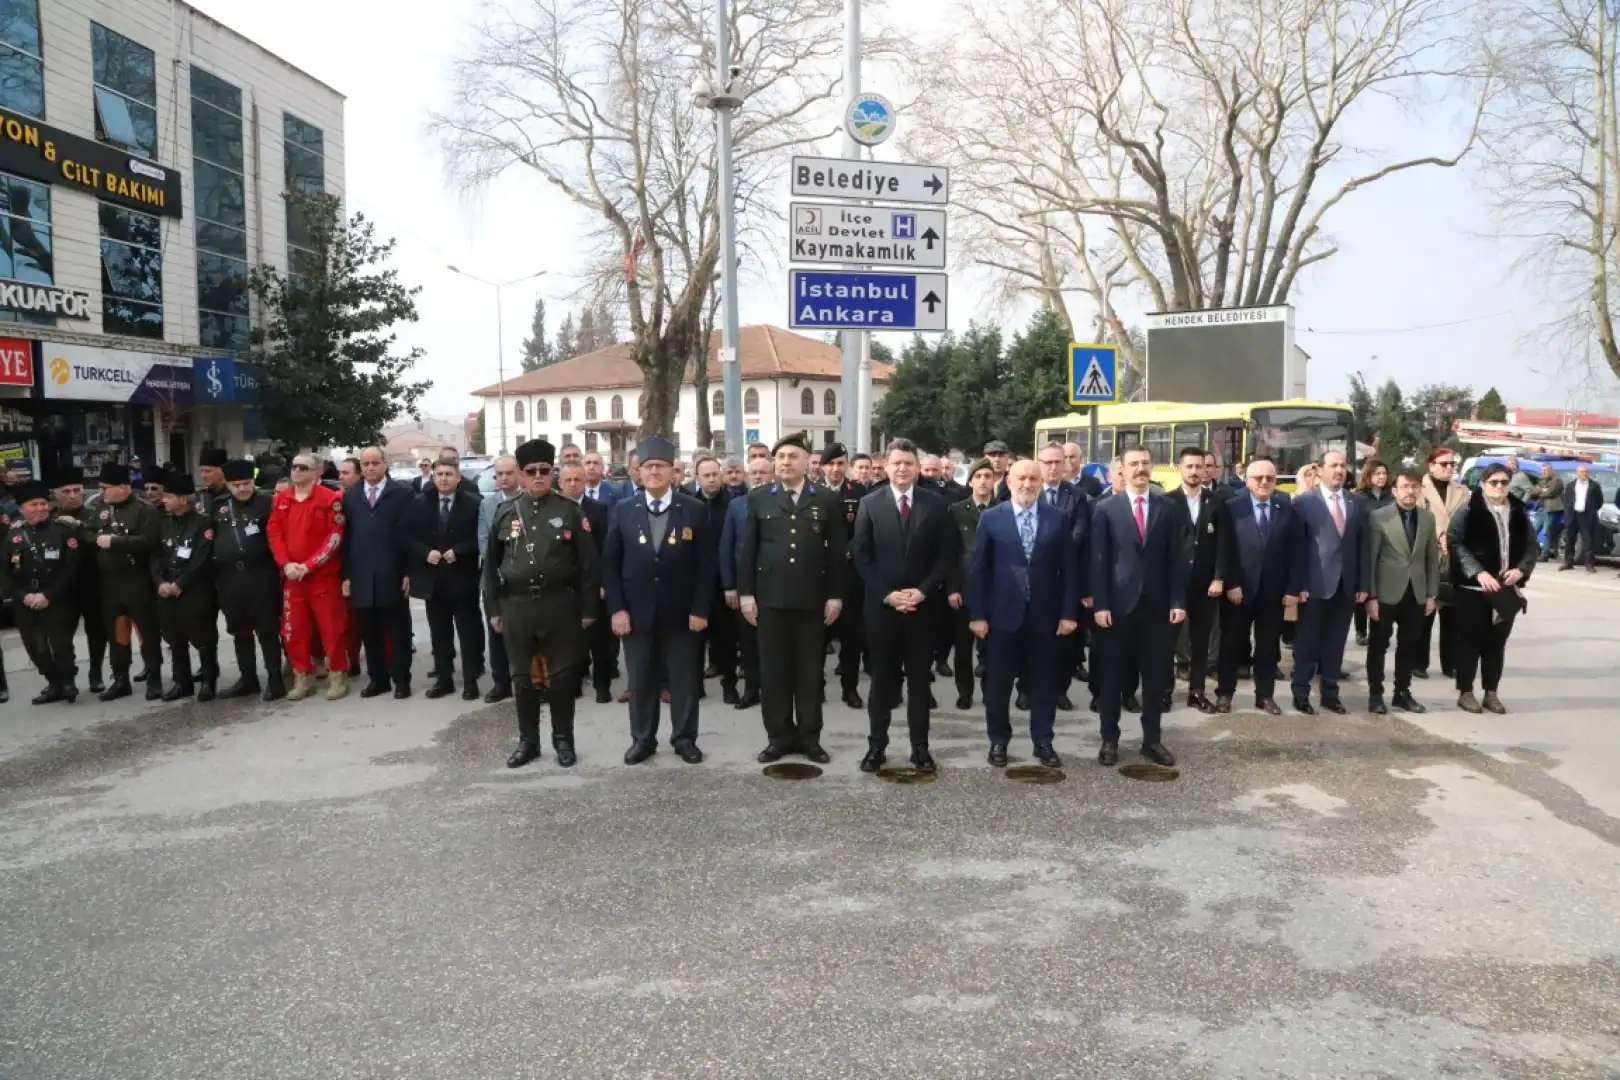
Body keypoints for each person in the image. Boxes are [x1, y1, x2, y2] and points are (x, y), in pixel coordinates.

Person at [484, 439, 600, 769]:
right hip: (517, 606)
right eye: (531, 471)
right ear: (520, 475)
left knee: (562, 679)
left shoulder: (570, 511)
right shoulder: (505, 512)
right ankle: (528, 742)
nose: (538, 476)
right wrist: (493, 609)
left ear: (553, 473)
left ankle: (563, 740)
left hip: (559, 605)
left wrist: (589, 610)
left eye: (544, 471)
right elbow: (490, 567)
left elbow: (590, 566)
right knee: (522, 679)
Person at [603, 437, 714, 765]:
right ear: (638, 472)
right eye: (648, 466)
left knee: (684, 680)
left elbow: (707, 566)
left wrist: (700, 609)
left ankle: (684, 738)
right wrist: (617, 609)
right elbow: (610, 563)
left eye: (660, 466)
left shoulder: (693, 509)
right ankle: (642, 739)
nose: (654, 471)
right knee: (640, 680)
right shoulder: (623, 510)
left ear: (672, 471)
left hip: (682, 614)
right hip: (635, 615)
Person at [737, 432, 847, 764]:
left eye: (793, 456)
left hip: (813, 602)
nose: (785, 462)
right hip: (770, 602)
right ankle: (779, 737)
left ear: (806, 461)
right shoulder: (759, 498)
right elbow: (748, 551)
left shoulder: (826, 499)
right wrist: (745, 595)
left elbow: (837, 554)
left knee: (810, 673)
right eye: (781, 456)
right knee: (774, 673)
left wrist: (836, 597)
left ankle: (810, 737)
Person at [850, 439, 953, 775]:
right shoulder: (870, 503)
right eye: (897, 463)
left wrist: (922, 592)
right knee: (882, 682)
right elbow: (862, 557)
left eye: (909, 463)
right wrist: (887, 594)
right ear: (888, 465)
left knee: (920, 683)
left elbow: (944, 557)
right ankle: (876, 747)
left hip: (923, 611)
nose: (903, 468)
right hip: (882, 610)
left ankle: (920, 748)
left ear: (917, 467)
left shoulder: (935, 504)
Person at [969, 459, 1079, 767]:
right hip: (1002, 617)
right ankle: (999, 742)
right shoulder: (992, 518)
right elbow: (978, 570)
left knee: (1044, 684)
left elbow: (1069, 570)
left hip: (1045, 617)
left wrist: (1069, 613)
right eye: (1021, 478)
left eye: (1033, 478)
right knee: (998, 685)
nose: (1027, 484)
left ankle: (1043, 741)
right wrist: (977, 614)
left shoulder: (1058, 519)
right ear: (1008, 482)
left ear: (1042, 482)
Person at [1090, 447, 1188, 766]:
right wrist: (1101, 604)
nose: (1140, 469)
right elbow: (1099, 561)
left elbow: (1177, 559)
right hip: (1117, 608)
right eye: (1133, 464)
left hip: (1158, 608)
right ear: (1121, 468)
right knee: (1112, 677)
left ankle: (1152, 740)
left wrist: (1177, 601)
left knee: (1155, 677)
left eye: (1145, 463)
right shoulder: (1105, 509)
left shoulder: (1169, 507)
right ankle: (1109, 740)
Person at [1214, 457, 1302, 715]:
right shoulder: (1231, 507)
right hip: (1238, 591)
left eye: (1270, 478)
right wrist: (1231, 583)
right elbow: (1225, 549)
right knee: (1231, 645)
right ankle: (1225, 693)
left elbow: (1295, 552)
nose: (1264, 482)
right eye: (1258, 478)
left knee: (1266, 647)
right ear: (1247, 480)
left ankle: (1264, 695)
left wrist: (1292, 590)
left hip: (1273, 592)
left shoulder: (1285, 507)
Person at [1449, 463, 1536, 714]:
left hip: (1506, 590)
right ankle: (1465, 692)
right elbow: (1455, 543)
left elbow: (1532, 546)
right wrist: (1478, 572)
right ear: (1483, 484)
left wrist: (1521, 569)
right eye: (1493, 482)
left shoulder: (1519, 511)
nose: (1499, 487)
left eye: (1504, 482)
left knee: (1496, 643)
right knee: (1469, 642)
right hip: (1474, 589)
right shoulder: (1469, 510)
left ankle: (1491, 692)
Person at [1289, 450, 1367, 714]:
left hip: (1346, 587)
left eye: (1343, 465)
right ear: (1320, 470)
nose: (1340, 470)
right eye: (1334, 465)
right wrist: (1298, 585)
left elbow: (1361, 547)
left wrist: (1363, 584)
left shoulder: (1356, 503)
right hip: (1314, 585)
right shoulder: (1304, 503)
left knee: (1335, 644)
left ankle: (1330, 694)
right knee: (1307, 643)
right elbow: (1297, 549)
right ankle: (1300, 693)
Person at [268, 452, 349, 702]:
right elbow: (274, 534)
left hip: (322, 577)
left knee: (331, 628)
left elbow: (334, 537)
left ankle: (337, 675)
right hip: (292, 577)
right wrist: (286, 564)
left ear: (317, 473)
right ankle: (303, 676)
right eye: (294, 467)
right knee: (294, 631)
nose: (297, 472)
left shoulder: (330, 499)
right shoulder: (281, 500)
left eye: (303, 468)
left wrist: (310, 565)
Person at [406, 458, 485, 700]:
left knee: (468, 634)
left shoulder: (474, 503)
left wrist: (460, 551)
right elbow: (405, 536)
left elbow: (482, 537)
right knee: (439, 634)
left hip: (463, 579)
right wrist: (424, 552)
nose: (443, 478)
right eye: (439, 474)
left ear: (458, 478)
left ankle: (471, 681)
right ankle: (444, 679)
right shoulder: (420, 503)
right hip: (434, 582)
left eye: (448, 474)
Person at [1363, 468, 1440, 715]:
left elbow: (1431, 560)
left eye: (1414, 487)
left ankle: (1402, 693)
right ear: (1394, 490)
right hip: (1385, 592)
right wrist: (1371, 596)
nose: (1410, 491)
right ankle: (1376, 694)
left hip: (1415, 593)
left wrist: (1431, 594)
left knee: (1409, 645)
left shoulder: (1427, 518)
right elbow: (1371, 558)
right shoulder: (1378, 517)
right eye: (1405, 486)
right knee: (1378, 645)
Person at [212, 459, 286, 701]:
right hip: (231, 578)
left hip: (261, 575)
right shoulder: (219, 506)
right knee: (239, 630)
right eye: (236, 485)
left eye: (246, 483)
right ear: (228, 485)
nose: (242, 489)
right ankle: (248, 679)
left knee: (267, 629)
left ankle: (275, 679)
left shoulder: (268, 503)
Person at [2, 481, 83, 704]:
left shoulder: (63, 531)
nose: (40, 508)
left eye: (42, 503)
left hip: (56, 599)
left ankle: (68, 683)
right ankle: (52, 682)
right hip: (25, 601)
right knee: (35, 647)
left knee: (61, 644)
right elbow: (5, 573)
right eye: (33, 505)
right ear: (22, 509)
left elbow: (73, 568)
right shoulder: (13, 536)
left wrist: (49, 595)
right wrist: (23, 596)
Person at [90, 462, 165, 701]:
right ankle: (120, 679)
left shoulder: (144, 510)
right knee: (117, 633)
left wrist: (116, 542)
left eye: (105, 488)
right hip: (109, 582)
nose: (101, 492)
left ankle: (154, 678)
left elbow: (150, 542)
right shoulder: (101, 509)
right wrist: (97, 538)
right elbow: (88, 533)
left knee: (147, 632)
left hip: (137, 580)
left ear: (123, 487)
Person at [344, 447, 414, 697]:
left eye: (375, 463)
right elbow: (346, 537)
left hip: (392, 571)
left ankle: (401, 680)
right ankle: (378, 679)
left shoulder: (402, 494)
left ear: (385, 464)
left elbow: (411, 535)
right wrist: (347, 575)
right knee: (369, 632)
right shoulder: (351, 496)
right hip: (362, 573)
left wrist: (409, 571)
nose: (371, 467)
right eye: (366, 463)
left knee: (398, 631)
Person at [1165, 446, 1225, 713]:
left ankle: (1197, 692)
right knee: (1167, 641)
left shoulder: (1217, 501)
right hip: (1173, 585)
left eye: (1199, 467)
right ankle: (1164, 691)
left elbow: (1225, 544)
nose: (1195, 471)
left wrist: (1219, 578)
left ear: (1206, 470)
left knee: (1201, 641)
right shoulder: (1167, 502)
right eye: (1189, 466)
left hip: (1205, 585)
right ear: (1180, 468)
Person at [152, 473, 220, 701]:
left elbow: (202, 558)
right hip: (168, 590)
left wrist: (181, 583)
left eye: (169, 497)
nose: (165, 501)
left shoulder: (202, 523)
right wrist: (160, 582)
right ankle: (182, 682)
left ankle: (208, 681)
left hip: (195, 590)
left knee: (203, 638)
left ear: (183, 499)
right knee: (174, 639)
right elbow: (156, 557)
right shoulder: (165, 524)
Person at [557, 461, 615, 703]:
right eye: (568, 480)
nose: (573, 484)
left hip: (593, 585)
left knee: (599, 640)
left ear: (585, 482)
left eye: (577, 480)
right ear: (559, 483)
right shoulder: (553, 511)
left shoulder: (599, 511)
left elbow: (607, 550)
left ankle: (603, 685)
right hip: (565, 587)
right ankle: (575, 682)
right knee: (570, 641)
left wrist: (603, 583)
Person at [719, 455, 774, 710]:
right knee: (748, 642)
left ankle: (776, 692)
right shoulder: (737, 506)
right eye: (755, 473)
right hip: (746, 585)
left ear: (772, 475)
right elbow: (727, 547)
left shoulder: (782, 503)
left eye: (764, 472)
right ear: (748, 476)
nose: (759, 476)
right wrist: (730, 585)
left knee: (774, 643)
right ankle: (751, 689)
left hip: (775, 585)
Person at [51, 468, 107, 693]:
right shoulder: (50, 518)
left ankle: (96, 675)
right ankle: (68, 678)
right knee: (62, 636)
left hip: (92, 582)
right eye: (67, 491)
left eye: (77, 490)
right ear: (56, 494)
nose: (73, 495)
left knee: (97, 632)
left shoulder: (94, 514)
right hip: (63, 587)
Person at [822, 442, 868, 709]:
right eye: (831, 464)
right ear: (823, 466)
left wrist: (849, 551)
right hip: (819, 574)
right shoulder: (812, 491)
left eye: (841, 463)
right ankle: (816, 687)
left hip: (850, 574)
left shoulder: (858, 492)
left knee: (852, 636)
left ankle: (850, 688)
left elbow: (863, 529)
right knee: (818, 637)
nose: (836, 469)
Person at [689, 456, 737, 703]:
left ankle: (730, 685)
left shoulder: (732, 504)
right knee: (695, 639)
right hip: (694, 584)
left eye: (715, 474)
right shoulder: (688, 504)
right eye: (706, 475)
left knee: (726, 639)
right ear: (697, 478)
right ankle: (695, 686)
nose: (711, 480)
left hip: (723, 583)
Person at [1418, 447, 1468, 679]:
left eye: (1452, 464)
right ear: (1431, 465)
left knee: (1453, 615)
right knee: (1424, 613)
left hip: (1454, 557)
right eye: (1443, 464)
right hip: (1427, 555)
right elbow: (1415, 519)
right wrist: (1440, 535)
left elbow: (1469, 520)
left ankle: (1452, 663)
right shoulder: (1419, 488)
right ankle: (1418, 662)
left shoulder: (1463, 491)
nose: (1449, 468)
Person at [477, 454, 522, 702]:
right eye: (499, 474)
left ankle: (527, 681)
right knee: (495, 630)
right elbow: (483, 540)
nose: (504, 478)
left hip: (522, 577)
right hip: (494, 577)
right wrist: (499, 568)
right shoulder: (487, 504)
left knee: (524, 632)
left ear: (519, 474)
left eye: (508, 473)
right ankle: (501, 682)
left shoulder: (527, 501)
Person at [1353, 458, 1393, 645]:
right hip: (1365, 547)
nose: (1381, 477)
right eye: (1377, 473)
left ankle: (1380, 625)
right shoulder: (1358, 497)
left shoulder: (1391, 497)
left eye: (1384, 474)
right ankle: (1361, 630)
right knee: (1364, 589)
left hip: (1386, 548)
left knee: (1382, 589)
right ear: (1368, 475)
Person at [1559, 463, 1604, 573]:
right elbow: (1565, 499)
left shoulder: (1594, 485)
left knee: (1588, 541)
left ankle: (1589, 564)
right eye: (1582, 472)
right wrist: (1569, 510)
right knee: (1570, 540)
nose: (1585, 474)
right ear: (1577, 473)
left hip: (1587, 516)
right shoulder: (1570, 485)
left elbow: (1599, 501)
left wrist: (1591, 510)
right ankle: (1568, 562)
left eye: (1586, 472)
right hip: (1573, 515)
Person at [1532, 463, 1565, 560]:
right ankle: (1534, 551)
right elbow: (1533, 492)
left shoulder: (1557, 480)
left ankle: (1545, 554)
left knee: (1546, 532)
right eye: (1542, 471)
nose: (1543, 472)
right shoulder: (1542, 480)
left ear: (1551, 470)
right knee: (1533, 531)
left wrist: (1540, 491)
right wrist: (1543, 490)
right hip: (1540, 509)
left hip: (1550, 509)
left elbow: (1551, 492)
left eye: (1545, 470)